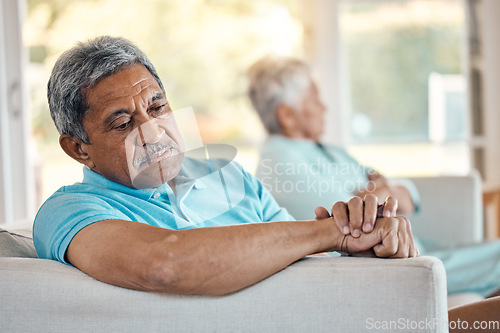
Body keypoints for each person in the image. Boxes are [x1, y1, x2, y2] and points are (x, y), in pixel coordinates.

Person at [33, 36, 499, 326]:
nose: (153, 133)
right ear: (78, 147)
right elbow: (165, 263)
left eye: (157, 107)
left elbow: (304, 263)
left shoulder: (226, 175)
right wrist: (329, 231)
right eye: (122, 122)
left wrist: (367, 243)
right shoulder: (70, 210)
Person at [248, 55, 500, 298]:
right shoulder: (280, 164)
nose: (324, 107)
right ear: (287, 115)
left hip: (413, 249)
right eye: (314, 99)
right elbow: (359, 223)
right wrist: (377, 192)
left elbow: (404, 195)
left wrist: (379, 192)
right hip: (392, 265)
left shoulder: (325, 150)